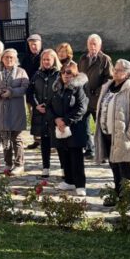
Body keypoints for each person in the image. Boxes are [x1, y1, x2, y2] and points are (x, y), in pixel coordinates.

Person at [94, 59, 130, 201]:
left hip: (122, 135)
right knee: (113, 165)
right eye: (115, 69)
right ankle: (118, 194)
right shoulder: (107, 87)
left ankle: (128, 197)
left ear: (128, 74)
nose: (115, 72)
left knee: (124, 166)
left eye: (120, 70)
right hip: (107, 133)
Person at [0, 48, 30, 175]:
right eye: (6, 57)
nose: (9, 60)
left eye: (11, 57)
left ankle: (19, 164)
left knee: (16, 138)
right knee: (5, 137)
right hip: (0, 109)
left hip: (16, 109)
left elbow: (24, 88)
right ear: (2, 59)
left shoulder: (21, 72)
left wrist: (11, 92)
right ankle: (8, 163)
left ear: (15, 59)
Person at [52, 61, 90, 197]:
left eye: (69, 73)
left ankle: (80, 184)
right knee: (64, 155)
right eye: (63, 72)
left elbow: (82, 107)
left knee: (76, 157)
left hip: (75, 128)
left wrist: (66, 121)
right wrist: (56, 120)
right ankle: (69, 180)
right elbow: (50, 106)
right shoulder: (57, 88)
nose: (65, 75)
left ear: (75, 74)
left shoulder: (78, 88)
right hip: (59, 128)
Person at [79, 34, 114, 159]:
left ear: (99, 45)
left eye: (95, 44)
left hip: (97, 98)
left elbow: (109, 78)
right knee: (84, 125)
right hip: (84, 97)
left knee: (100, 125)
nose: (92, 46)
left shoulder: (105, 59)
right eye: (90, 44)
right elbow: (79, 75)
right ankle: (89, 149)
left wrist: (98, 91)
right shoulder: (83, 58)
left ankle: (103, 152)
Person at [28, 49, 61, 178]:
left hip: (54, 112)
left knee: (59, 141)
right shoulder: (37, 74)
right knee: (44, 141)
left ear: (54, 60)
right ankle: (45, 167)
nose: (46, 62)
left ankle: (64, 168)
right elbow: (30, 92)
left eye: (49, 59)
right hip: (41, 113)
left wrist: (52, 106)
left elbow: (61, 93)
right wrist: (36, 105)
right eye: (44, 59)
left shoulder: (59, 75)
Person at [24, 34, 43, 149]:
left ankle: (46, 140)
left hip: (43, 91)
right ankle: (36, 139)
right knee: (32, 116)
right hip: (31, 92)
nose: (33, 47)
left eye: (35, 44)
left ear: (40, 44)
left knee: (43, 116)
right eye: (31, 45)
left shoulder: (44, 56)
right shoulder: (27, 57)